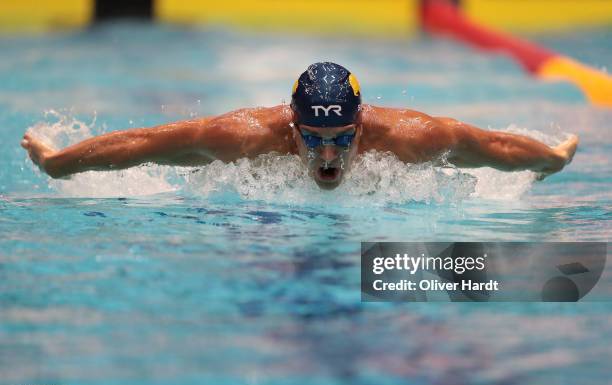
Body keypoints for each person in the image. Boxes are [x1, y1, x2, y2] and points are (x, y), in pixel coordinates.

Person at [21, 62, 578, 190]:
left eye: (342, 140)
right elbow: (143, 144)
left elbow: (491, 145)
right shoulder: (243, 137)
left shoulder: (411, 138)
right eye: (312, 138)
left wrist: (551, 160)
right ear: (292, 124)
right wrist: (58, 162)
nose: (327, 156)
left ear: (363, 126)